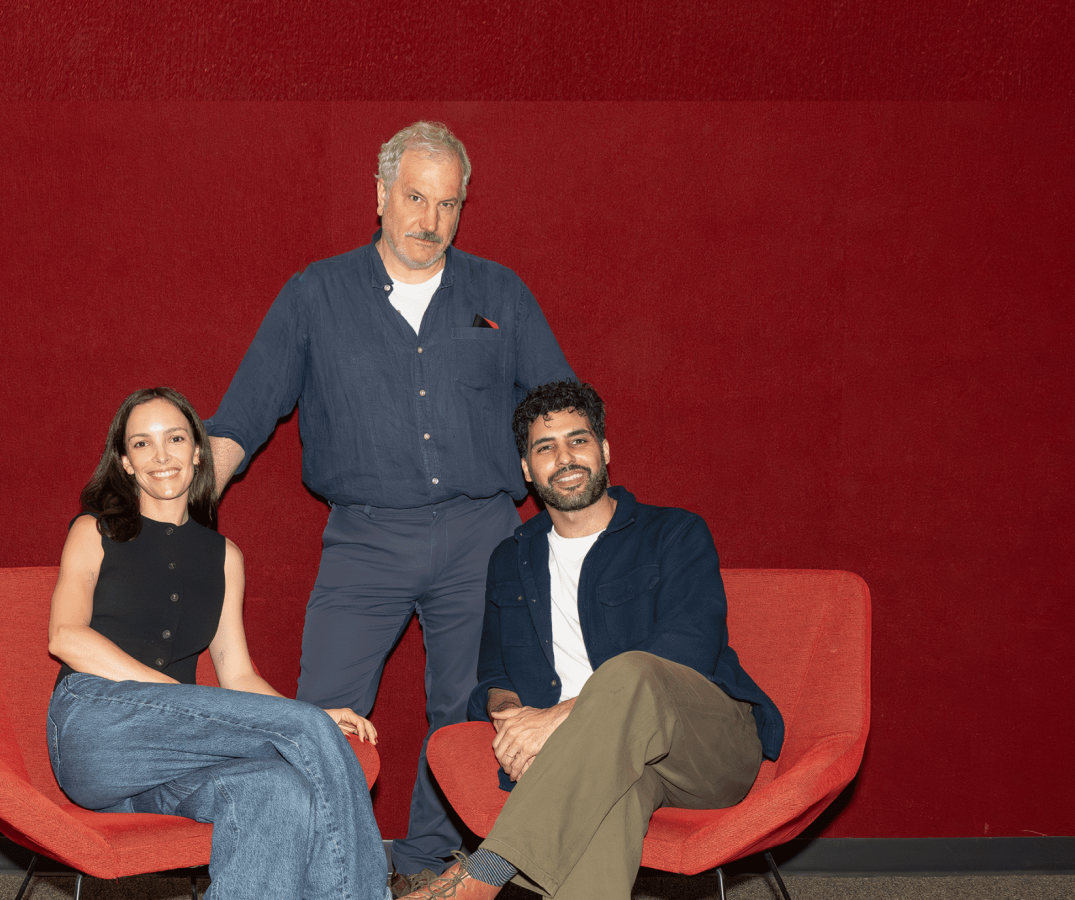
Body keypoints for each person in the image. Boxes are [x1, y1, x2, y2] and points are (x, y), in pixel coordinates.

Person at [205, 121, 576, 890]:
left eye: (447, 204)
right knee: (320, 719)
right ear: (379, 195)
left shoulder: (499, 293)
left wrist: (579, 521)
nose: (428, 221)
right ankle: (321, 866)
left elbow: (559, 412)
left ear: (462, 206)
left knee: (470, 716)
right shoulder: (315, 294)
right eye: (414, 197)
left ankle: (432, 869)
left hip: (483, 536)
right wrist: (167, 507)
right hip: (364, 538)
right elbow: (239, 421)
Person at [399, 381, 785, 900]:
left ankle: (484, 872)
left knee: (630, 671)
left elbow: (688, 649)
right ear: (527, 469)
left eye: (578, 441)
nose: (565, 457)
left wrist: (560, 720)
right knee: (612, 805)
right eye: (545, 447)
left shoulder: (674, 533)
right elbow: (493, 674)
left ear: (603, 451)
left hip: (705, 747)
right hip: (605, 762)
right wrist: (512, 718)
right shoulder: (510, 559)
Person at [45, 387, 389, 900]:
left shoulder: (225, 556)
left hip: (177, 762)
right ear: (125, 463)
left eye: (176, 438)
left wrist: (302, 712)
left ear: (198, 451)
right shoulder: (94, 531)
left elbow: (238, 674)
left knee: (281, 793)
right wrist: (177, 697)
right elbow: (66, 636)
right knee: (308, 732)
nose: (161, 456)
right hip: (97, 730)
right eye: (142, 444)